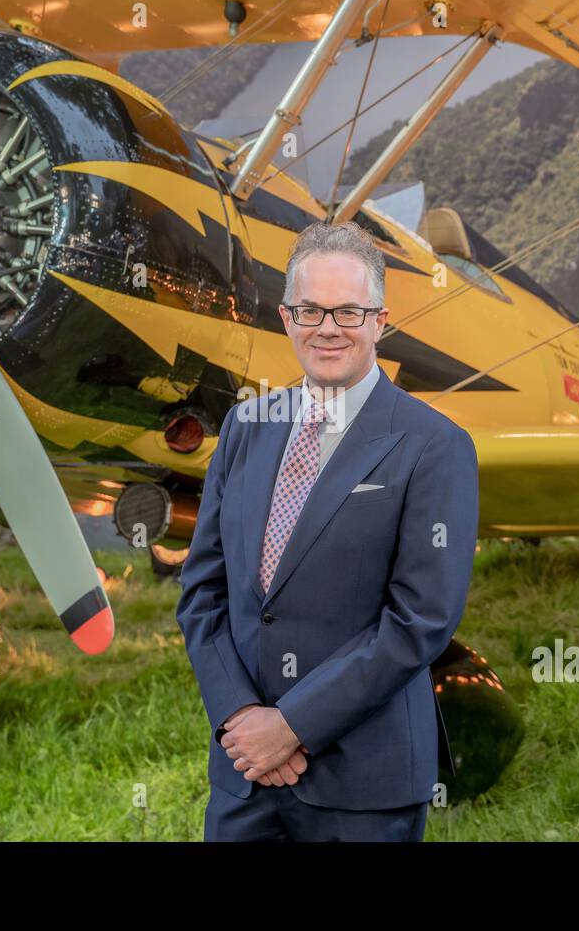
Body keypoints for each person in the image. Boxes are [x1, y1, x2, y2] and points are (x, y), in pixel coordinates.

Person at [175, 220, 479, 841]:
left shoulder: (435, 445)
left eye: (348, 311)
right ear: (287, 318)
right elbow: (203, 593)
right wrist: (242, 719)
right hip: (245, 773)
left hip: (364, 782)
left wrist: (291, 726)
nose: (328, 328)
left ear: (379, 320)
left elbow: (420, 620)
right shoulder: (245, 427)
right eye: (310, 310)